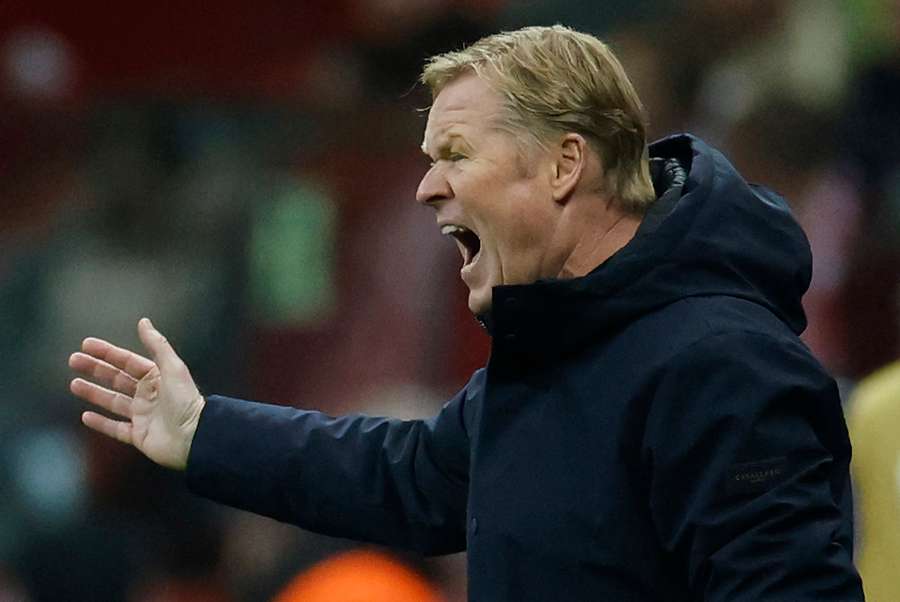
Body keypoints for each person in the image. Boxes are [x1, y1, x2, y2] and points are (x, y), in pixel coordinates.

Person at [68, 25, 864, 601]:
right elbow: (406, 477)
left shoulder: (723, 363)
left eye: (455, 155)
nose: (426, 188)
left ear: (562, 164)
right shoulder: (560, 348)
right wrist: (206, 431)